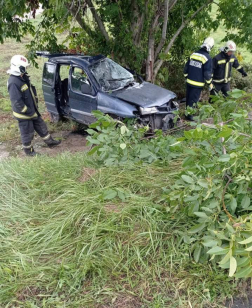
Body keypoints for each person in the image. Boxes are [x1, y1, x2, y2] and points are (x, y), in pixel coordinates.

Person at [7, 55, 61, 156]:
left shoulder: (23, 77)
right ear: (19, 68)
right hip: (24, 114)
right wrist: (26, 110)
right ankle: (29, 151)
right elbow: (16, 101)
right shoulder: (13, 82)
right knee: (27, 133)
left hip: (32, 110)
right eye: (24, 67)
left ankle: (50, 142)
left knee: (41, 126)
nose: (26, 69)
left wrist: (32, 108)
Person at [184, 37, 214, 120]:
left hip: (189, 81)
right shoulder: (207, 58)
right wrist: (210, 83)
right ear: (211, 47)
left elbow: (186, 68)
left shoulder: (194, 54)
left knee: (189, 98)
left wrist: (186, 77)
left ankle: (187, 113)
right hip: (197, 84)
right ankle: (189, 116)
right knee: (193, 100)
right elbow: (207, 74)